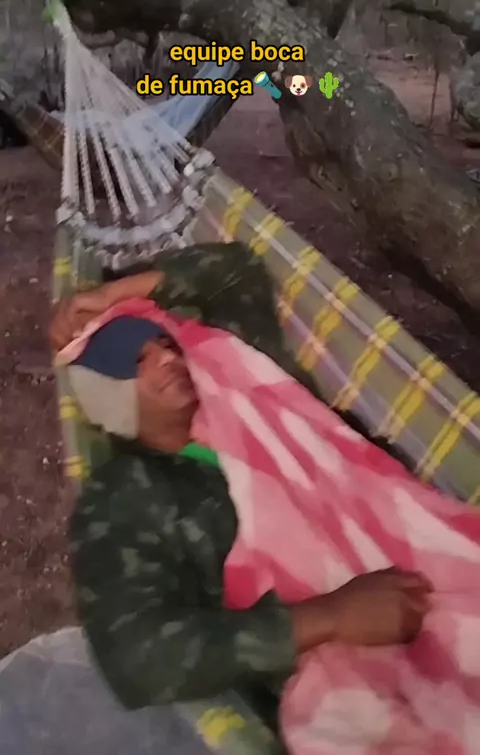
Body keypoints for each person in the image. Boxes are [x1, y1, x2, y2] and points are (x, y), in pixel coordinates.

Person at [49, 242, 432, 715]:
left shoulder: (244, 378)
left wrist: (113, 294)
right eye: (136, 360)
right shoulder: (125, 495)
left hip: (412, 541)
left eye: (166, 344)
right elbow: (136, 659)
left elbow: (235, 272)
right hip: (349, 672)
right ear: (107, 399)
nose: (168, 359)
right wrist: (331, 616)